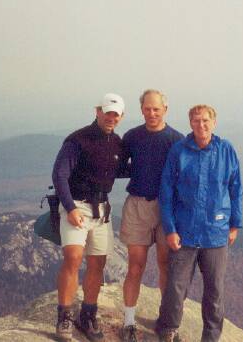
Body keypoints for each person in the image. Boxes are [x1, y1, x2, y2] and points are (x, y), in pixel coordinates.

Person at [154, 104, 243, 342]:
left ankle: (211, 336)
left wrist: (235, 225)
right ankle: (168, 328)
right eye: (195, 121)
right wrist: (170, 230)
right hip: (184, 232)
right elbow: (166, 192)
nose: (200, 125)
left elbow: (236, 189)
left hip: (216, 233)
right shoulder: (179, 151)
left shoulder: (226, 150)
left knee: (214, 290)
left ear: (214, 123)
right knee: (176, 286)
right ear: (190, 123)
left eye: (205, 120)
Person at [52, 93, 125, 342]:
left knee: (97, 264)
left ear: (121, 117)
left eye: (116, 114)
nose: (111, 117)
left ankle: (88, 314)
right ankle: (64, 316)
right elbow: (59, 175)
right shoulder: (78, 140)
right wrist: (70, 208)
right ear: (98, 111)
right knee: (73, 257)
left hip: (102, 211)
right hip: (78, 207)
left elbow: (124, 168)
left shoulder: (117, 143)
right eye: (107, 112)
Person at [119, 89, 184, 341]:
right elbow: (117, 164)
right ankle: (128, 322)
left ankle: (166, 323)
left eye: (156, 109)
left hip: (167, 208)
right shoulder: (132, 136)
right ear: (141, 109)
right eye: (147, 108)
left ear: (165, 109)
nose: (152, 113)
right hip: (137, 205)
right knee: (135, 265)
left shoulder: (176, 140)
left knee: (166, 265)